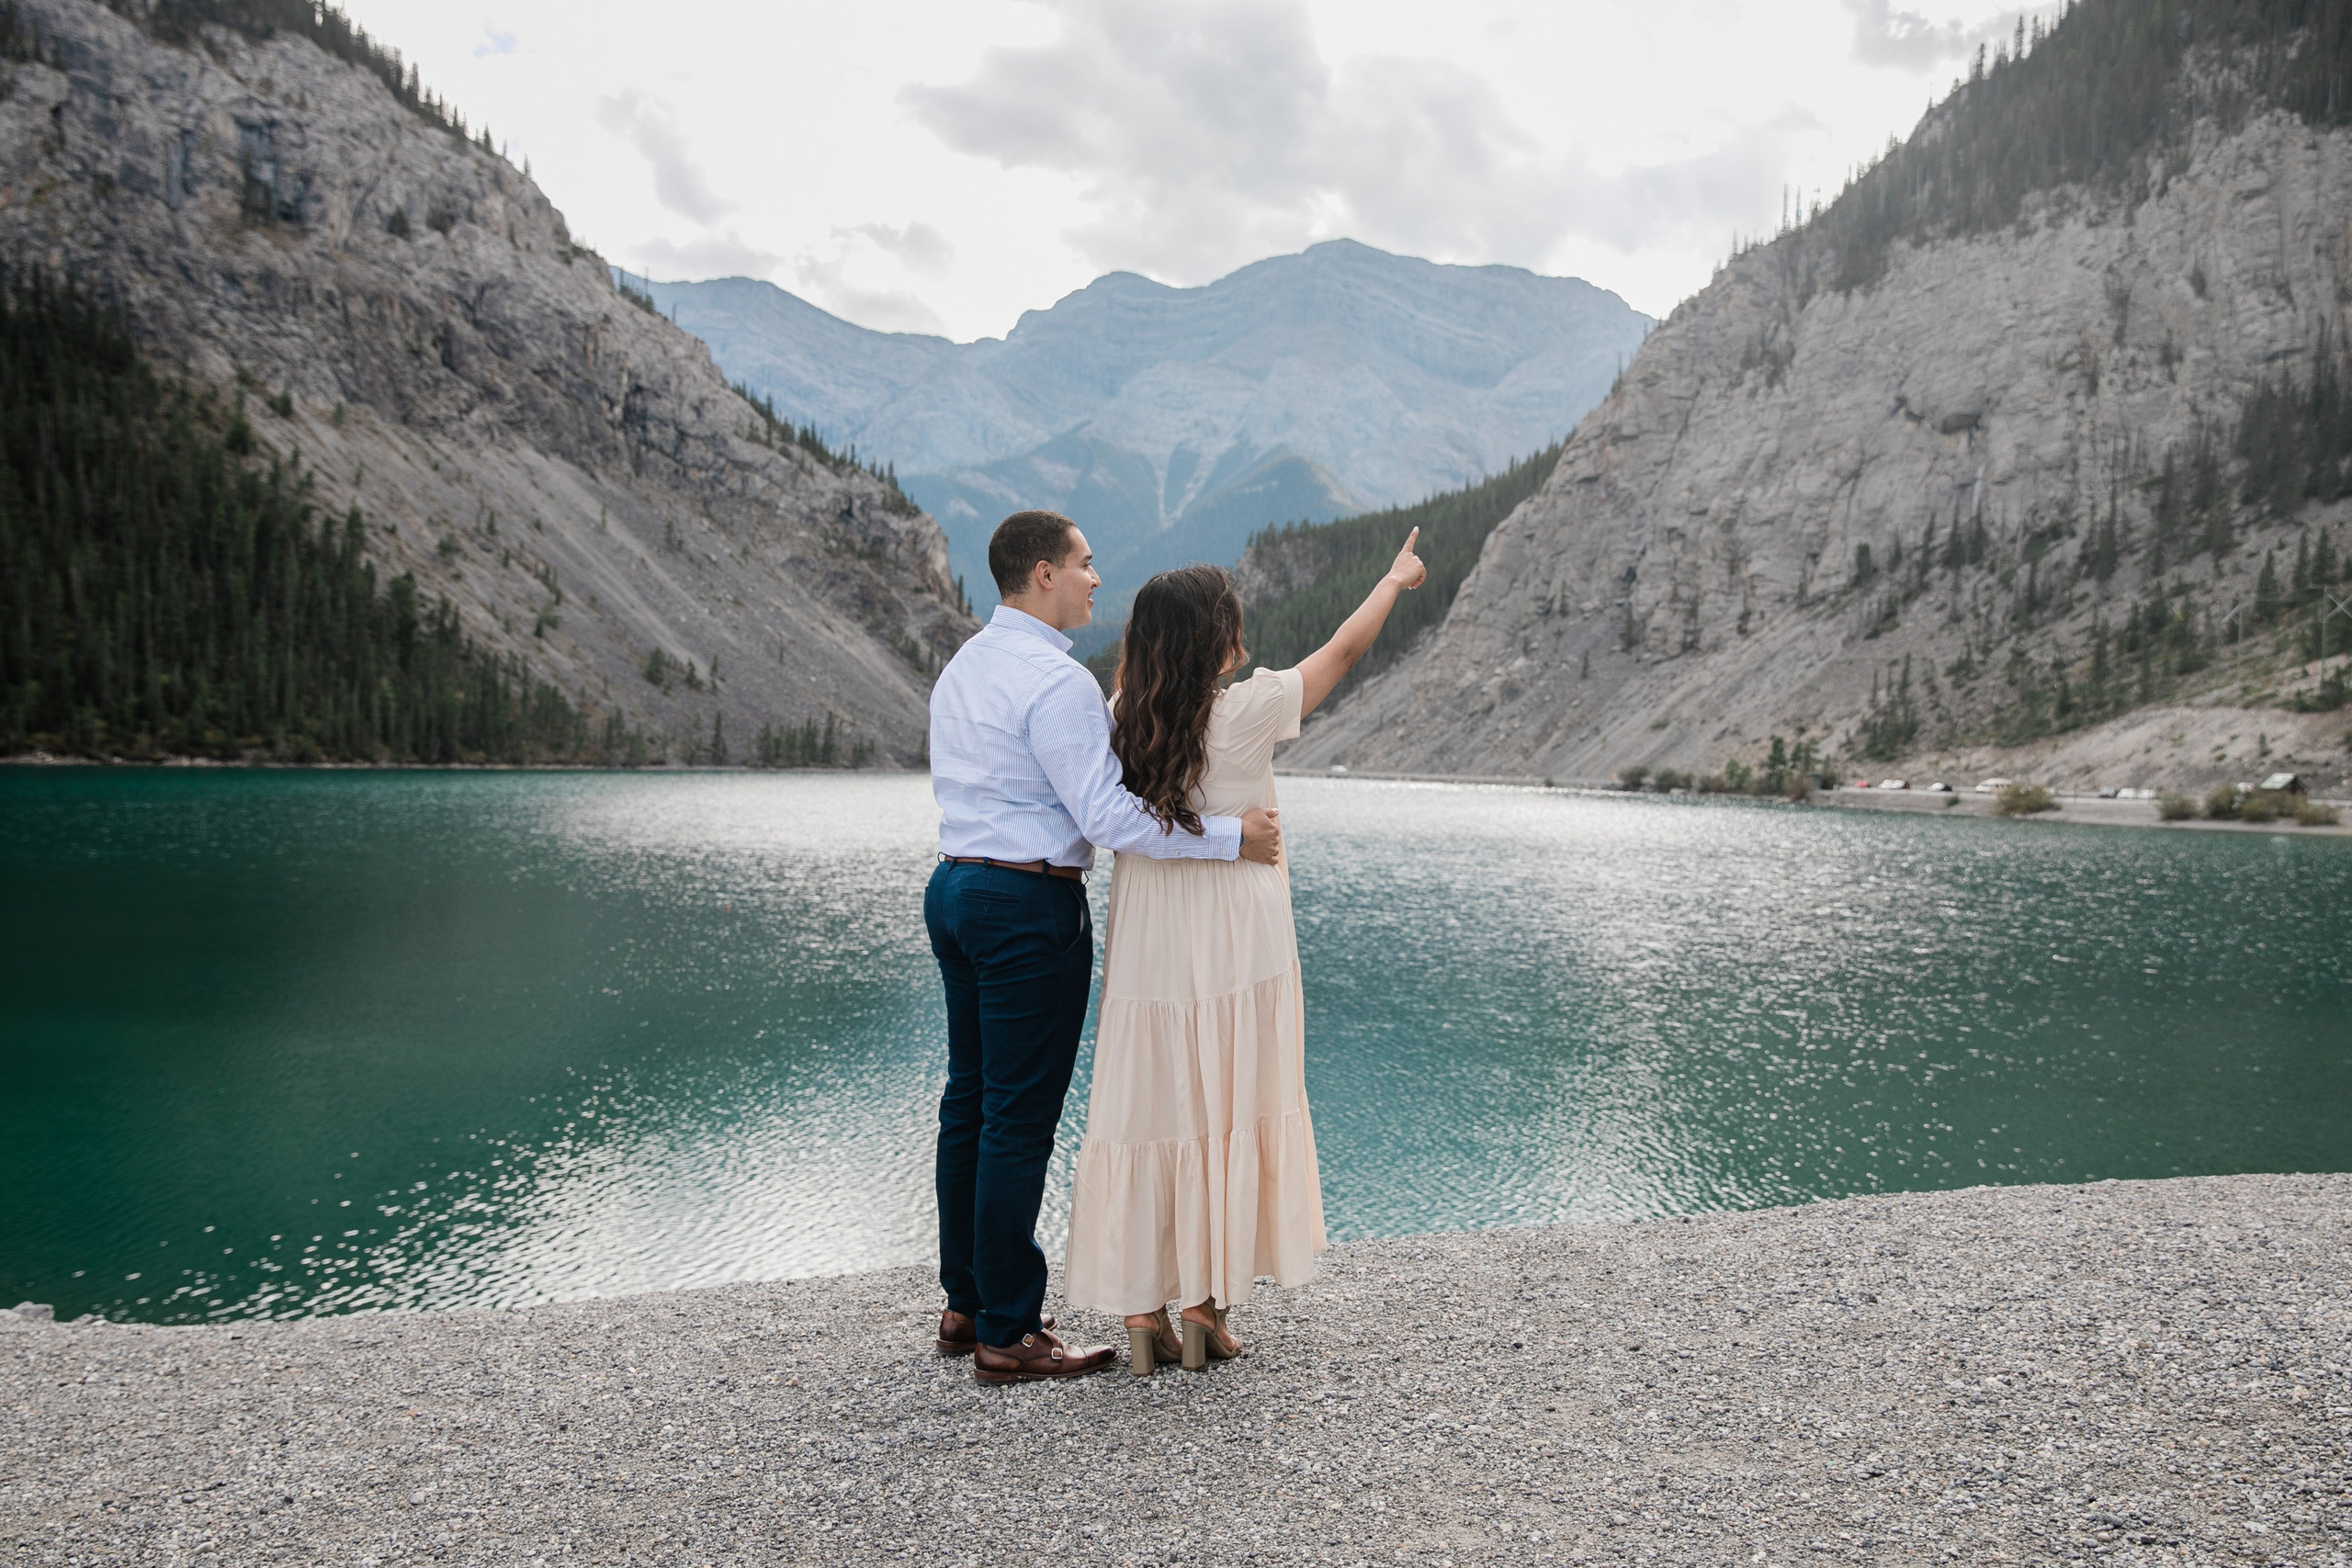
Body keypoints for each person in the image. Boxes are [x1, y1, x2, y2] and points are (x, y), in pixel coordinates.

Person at [926, 509, 1284, 1385]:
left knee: (968, 1102)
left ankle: (968, 1298)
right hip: (1024, 902)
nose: (1096, 578)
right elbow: (1110, 818)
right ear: (1043, 573)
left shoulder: (965, 665)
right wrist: (1228, 835)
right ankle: (1009, 1331)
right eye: (1085, 564)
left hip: (954, 889)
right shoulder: (1058, 683)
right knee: (1017, 1117)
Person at [1063, 528, 1426, 1372]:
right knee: (1227, 1098)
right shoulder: (1251, 708)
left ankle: (1142, 1313)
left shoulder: (1120, 718)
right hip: (1240, 932)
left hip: (1152, 937)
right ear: (1214, 635)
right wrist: (1393, 578)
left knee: (1152, 1100)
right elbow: (1344, 647)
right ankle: (1203, 1309)